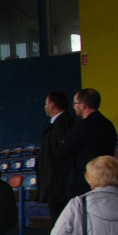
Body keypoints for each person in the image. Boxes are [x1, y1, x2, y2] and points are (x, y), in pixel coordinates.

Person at [57, 88, 117, 201]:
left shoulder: (82, 126)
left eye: (75, 103)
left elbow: (62, 153)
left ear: (83, 105)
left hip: (83, 184)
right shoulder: (109, 125)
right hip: (106, 181)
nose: (74, 107)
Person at [36, 90, 76, 221]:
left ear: (52, 105)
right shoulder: (56, 124)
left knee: (62, 224)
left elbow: (65, 154)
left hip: (59, 187)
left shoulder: (64, 123)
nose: (45, 106)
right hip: (54, 186)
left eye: (46, 103)